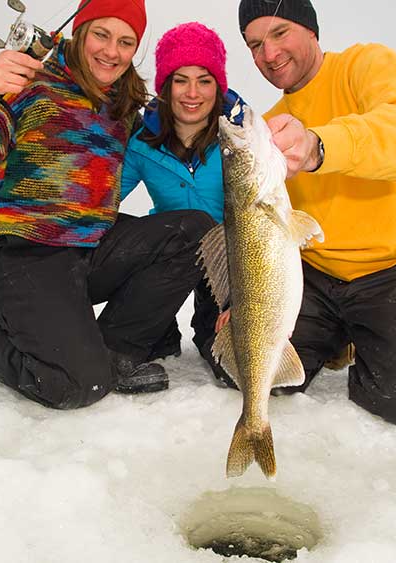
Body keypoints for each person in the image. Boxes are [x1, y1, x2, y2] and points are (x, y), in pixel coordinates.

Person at [227, 0, 396, 429]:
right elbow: (258, 226)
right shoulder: (268, 129)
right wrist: (241, 297)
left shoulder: (365, 66)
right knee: (251, 372)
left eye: (280, 33)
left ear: (311, 31)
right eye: (255, 44)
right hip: (317, 276)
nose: (269, 54)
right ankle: (348, 335)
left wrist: (321, 145)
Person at [0, 0, 215, 410]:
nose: (112, 51)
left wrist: (231, 110)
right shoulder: (31, 81)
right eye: (101, 34)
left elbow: (185, 118)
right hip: (20, 250)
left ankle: (114, 357)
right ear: (80, 30)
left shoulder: (125, 101)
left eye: (126, 41)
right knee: (74, 385)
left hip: (88, 247)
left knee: (193, 232)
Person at [118, 22, 246, 369]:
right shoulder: (142, 142)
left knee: (229, 361)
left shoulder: (240, 139)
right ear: (165, 85)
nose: (193, 93)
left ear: (218, 86)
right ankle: (158, 329)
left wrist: (243, 299)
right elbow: (106, 197)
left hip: (229, 265)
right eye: (181, 80)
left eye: (204, 80)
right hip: (172, 253)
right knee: (150, 346)